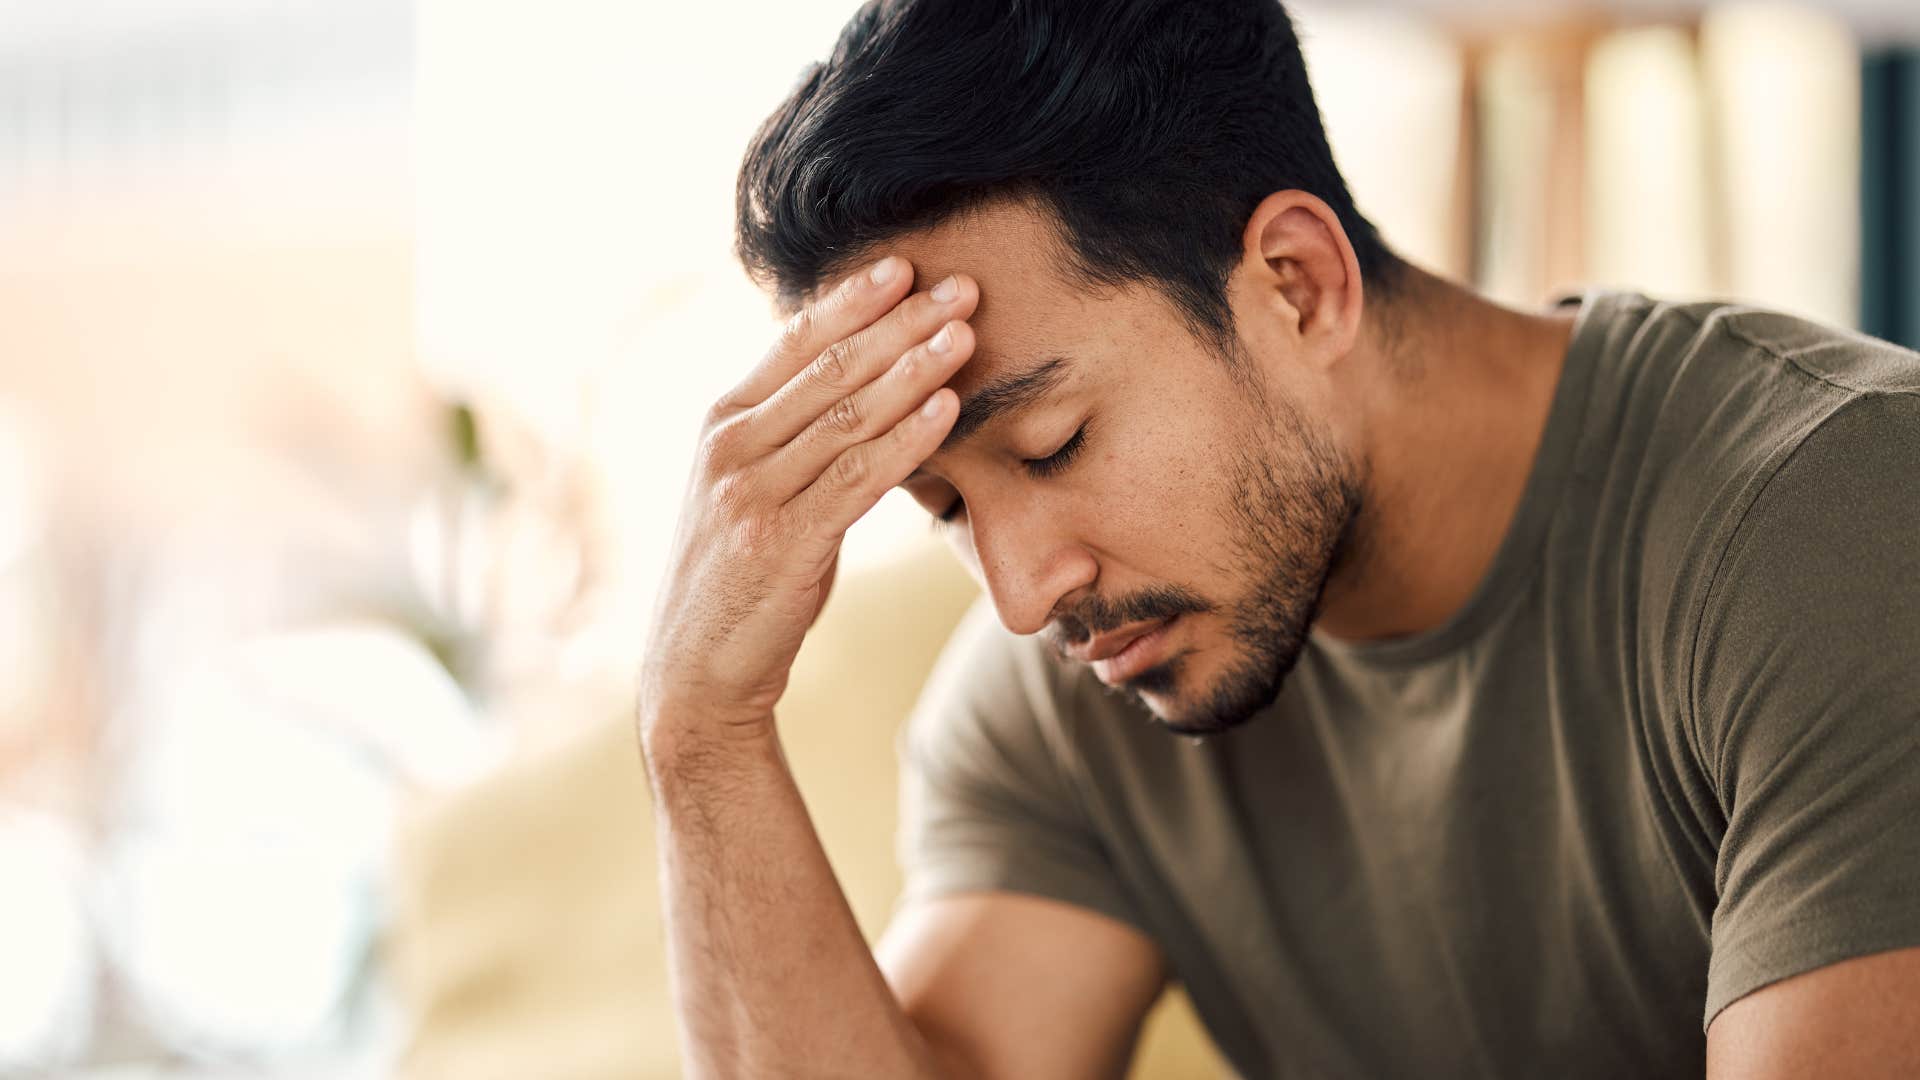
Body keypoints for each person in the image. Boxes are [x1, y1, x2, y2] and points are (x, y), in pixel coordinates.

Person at [637, 0, 1920, 1075]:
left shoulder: (1840, 517)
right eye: (949, 508)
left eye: (1051, 446)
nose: (1026, 597)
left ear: (1299, 287)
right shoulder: (1073, 699)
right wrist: (699, 733)